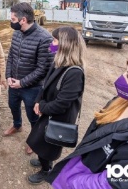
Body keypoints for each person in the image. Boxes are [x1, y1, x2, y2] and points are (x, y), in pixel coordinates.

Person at [46, 51, 128, 188]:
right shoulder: (122, 101)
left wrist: (71, 181)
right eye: (125, 72)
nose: (120, 78)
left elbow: (115, 184)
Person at [26, 26, 86, 184]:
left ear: (65, 45)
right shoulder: (58, 61)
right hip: (48, 111)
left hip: (58, 117)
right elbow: (45, 85)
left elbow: (62, 104)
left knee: (47, 144)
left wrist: (42, 107)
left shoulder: (74, 73)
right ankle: (44, 161)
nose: (51, 44)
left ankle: (46, 170)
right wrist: (38, 101)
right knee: (40, 140)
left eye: (54, 41)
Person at [4, 2, 53, 155]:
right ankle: (17, 125)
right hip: (14, 83)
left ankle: (34, 140)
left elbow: (42, 68)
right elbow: (11, 55)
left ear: (23, 20)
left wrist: (22, 83)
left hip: (32, 88)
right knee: (13, 106)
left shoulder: (45, 38)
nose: (11, 22)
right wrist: (8, 76)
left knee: (33, 116)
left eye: (13, 19)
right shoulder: (16, 33)